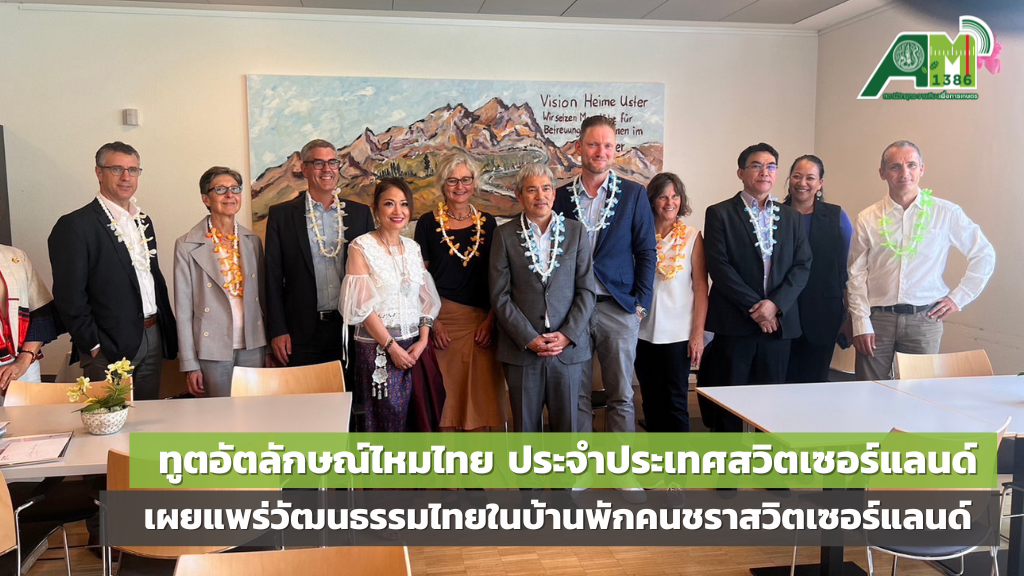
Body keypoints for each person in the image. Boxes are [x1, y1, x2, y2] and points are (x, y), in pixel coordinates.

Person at [848, 140, 995, 380]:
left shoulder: (945, 213)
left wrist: (959, 298)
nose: (904, 173)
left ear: (922, 169)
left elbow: (984, 254)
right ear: (882, 173)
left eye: (911, 165)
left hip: (925, 320)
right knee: (868, 390)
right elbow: (856, 274)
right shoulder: (867, 218)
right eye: (895, 167)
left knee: (919, 394)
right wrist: (860, 322)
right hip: (877, 320)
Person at [49, 142, 177, 400]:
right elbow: (69, 296)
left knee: (149, 416)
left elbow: (150, 278)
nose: (126, 177)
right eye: (117, 169)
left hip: (152, 335)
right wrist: (94, 345)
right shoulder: (75, 225)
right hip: (108, 346)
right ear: (99, 172)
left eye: (133, 170)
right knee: (110, 418)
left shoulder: (143, 221)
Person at [552, 115, 656, 434]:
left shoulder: (634, 194)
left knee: (621, 396)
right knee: (576, 394)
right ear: (579, 147)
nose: (601, 152)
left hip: (619, 307)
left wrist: (640, 305)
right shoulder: (560, 197)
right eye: (593, 144)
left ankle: (621, 461)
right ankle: (580, 460)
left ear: (615, 149)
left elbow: (646, 251)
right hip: (573, 310)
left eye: (608, 145)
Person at [702, 143, 811, 431]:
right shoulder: (720, 213)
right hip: (735, 324)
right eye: (756, 165)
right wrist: (757, 308)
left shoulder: (792, 217)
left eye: (771, 166)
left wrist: (774, 306)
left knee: (771, 406)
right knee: (729, 405)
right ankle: (728, 459)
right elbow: (719, 267)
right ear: (741, 172)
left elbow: (802, 266)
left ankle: (766, 460)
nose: (765, 172)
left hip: (778, 326)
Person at [490, 163, 594, 434]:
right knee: (526, 431)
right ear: (519, 195)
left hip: (567, 350)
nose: (540, 196)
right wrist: (528, 338)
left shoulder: (576, 232)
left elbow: (586, 290)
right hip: (523, 350)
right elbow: (500, 296)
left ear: (554, 193)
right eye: (532, 190)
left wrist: (568, 335)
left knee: (568, 431)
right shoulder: (504, 235)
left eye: (546, 188)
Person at [414, 151, 507, 431]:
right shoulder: (427, 223)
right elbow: (418, 279)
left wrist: (491, 321)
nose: (460, 186)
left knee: (481, 405)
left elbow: (499, 278)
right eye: (452, 180)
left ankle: (480, 460)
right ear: (443, 184)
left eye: (466, 179)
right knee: (446, 406)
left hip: (482, 327)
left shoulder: (488, 223)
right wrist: (433, 323)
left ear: (474, 183)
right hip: (443, 325)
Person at [340, 178, 442, 432]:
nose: (398, 211)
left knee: (418, 421)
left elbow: (425, 301)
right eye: (389, 204)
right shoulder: (361, 247)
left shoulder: (413, 248)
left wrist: (423, 341)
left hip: (415, 348)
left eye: (404, 204)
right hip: (377, 349)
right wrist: (391, 347)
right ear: (375, 208)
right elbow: (362, 308)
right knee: (385, 423)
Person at [265, 139, 375, 368]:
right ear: (304, 169)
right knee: (306, 392)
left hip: (351, 328)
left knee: (349, 392)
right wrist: (278, 330)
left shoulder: (360, 214)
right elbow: (272, 278)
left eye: (332, 162)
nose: (327, 169)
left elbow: (373, 276)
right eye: (318, 163)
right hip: (301, 333)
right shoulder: (282, 216)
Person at [174, 167, 268, 397]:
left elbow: (264, 300)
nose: (229, 195)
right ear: (206, 199)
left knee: (254, 412)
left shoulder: (252, 241)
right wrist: (190, 364)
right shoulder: (186, 245)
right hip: (211, 349)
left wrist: (267, 349)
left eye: (235, 189)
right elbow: (183, 310)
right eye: (220, 189)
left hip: (253, 345)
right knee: (220, 414)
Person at [634, 172, 708, 432]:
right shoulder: (639, 234)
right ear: (652, 200)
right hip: (642, 332)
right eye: (663, 197)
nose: (670, 202)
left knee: (675, 402)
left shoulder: (692, 236)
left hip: (678, 335)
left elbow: (701, 288)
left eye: (675, 196)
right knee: (650, 401)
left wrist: (698, 334)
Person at [783, 155, 853, 383]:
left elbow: (847, 270)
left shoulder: (836, 216)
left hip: (824, 314)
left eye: (810, 178)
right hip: (781, 315)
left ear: (820, 183)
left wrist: (851, 316)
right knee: (778, 383)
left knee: (815, 382)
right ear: (789, 179)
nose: (802, 183)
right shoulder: (774, 214)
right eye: (797, 176)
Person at [0, 240, 60, 394]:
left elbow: (40, 311)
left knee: (30, 409)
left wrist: (24, 360)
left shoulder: (15, 256)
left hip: (22, 367)